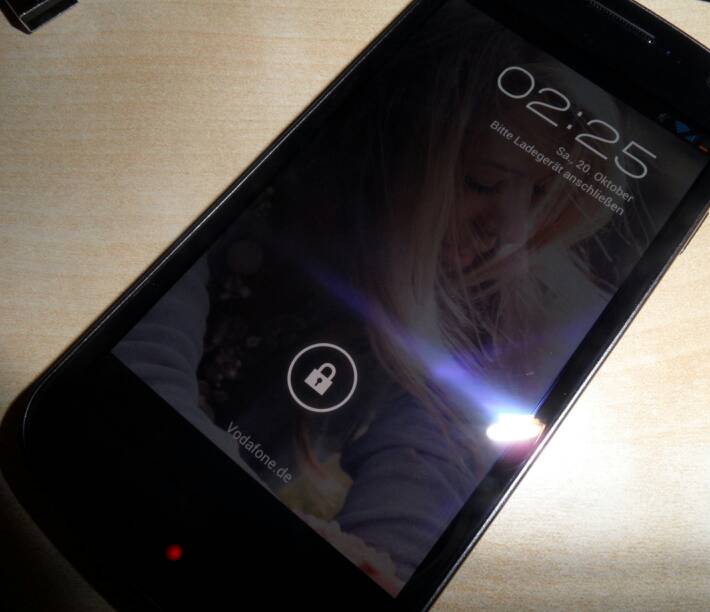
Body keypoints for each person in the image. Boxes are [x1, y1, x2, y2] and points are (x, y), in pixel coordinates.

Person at [115, 0, 654, 595]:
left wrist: (377, 569)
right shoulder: (248, 190)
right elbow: (144, 359)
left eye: (539, 195)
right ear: (398, 143)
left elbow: (417, 500)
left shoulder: (487, 324)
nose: (512, 232)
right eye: (483, 182)